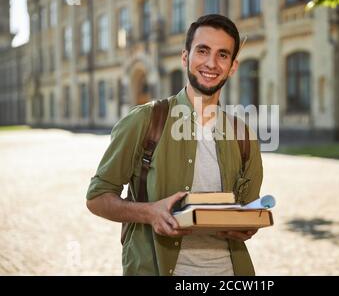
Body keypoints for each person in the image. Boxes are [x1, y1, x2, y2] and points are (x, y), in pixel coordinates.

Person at [86, 14, 263, 276]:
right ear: (185, 57)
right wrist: (150, 213)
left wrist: (249, 224)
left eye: (222, 55)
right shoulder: (145, 121)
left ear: (233, 66)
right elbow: (97, 198)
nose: (211, 63)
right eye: (202, 51)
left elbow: (250, 210)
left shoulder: (243, 135)